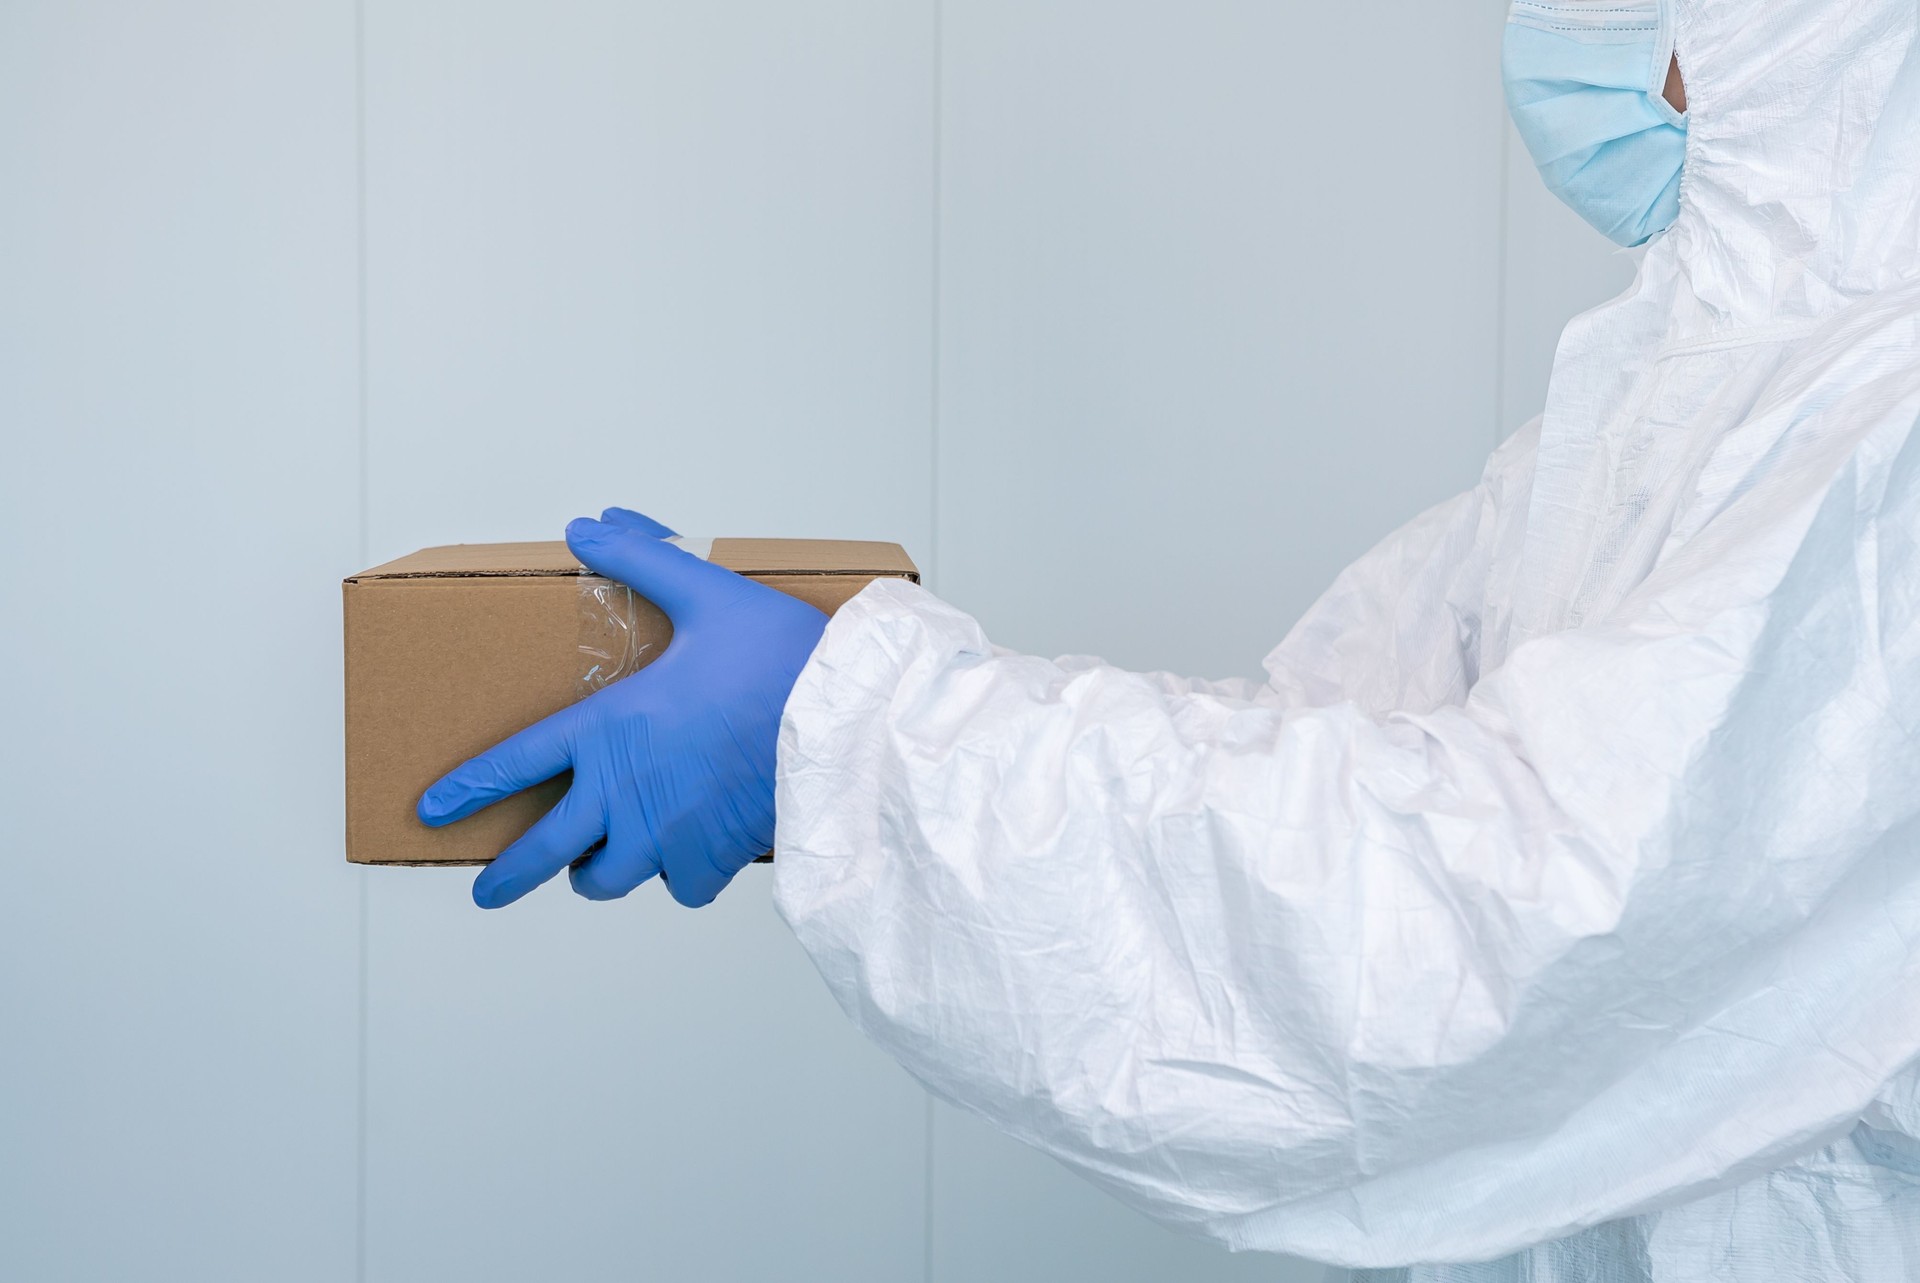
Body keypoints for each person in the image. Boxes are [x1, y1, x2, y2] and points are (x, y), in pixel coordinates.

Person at [415, 0, 1920, 1276]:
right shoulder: (1666, 407)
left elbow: (1502, 926)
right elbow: (1325, 757)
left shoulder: (1883, 433)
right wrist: (848, 758)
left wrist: (858, 732)